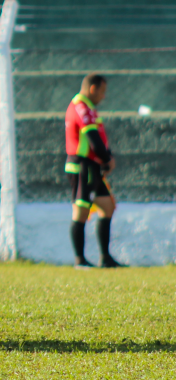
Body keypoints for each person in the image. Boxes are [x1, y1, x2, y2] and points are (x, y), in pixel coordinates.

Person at [65, 74, 123, 268]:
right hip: (83, 166)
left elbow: (99, 138)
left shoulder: (87, 108)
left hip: (92, 166)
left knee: (108, 207)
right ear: (93, 89)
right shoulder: (81, 107)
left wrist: (106, 158)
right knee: (81, 211)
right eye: (102, 91)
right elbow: (92, 137)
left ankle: (105, 258)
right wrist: (107, 159)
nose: (103, 96)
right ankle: (80, 261)